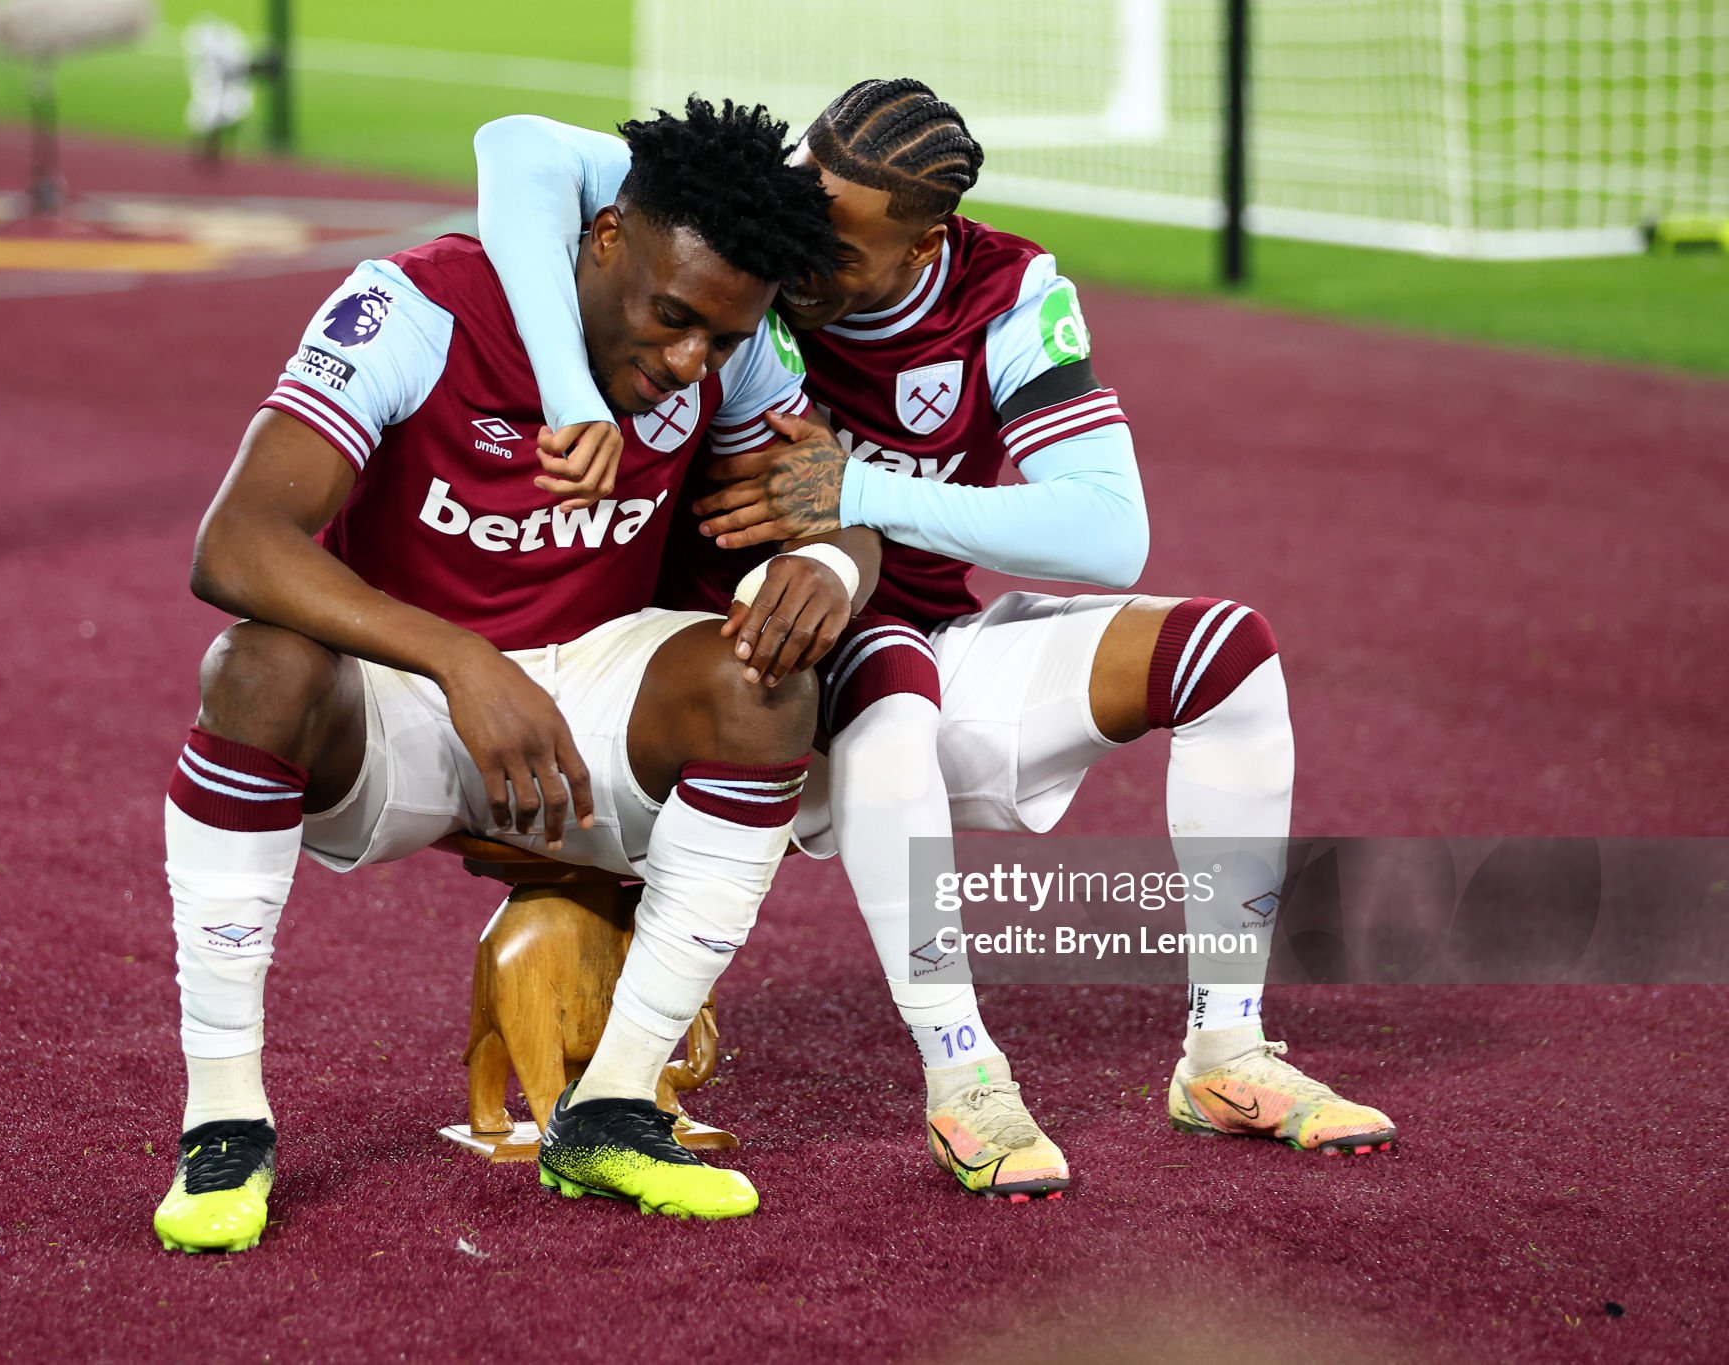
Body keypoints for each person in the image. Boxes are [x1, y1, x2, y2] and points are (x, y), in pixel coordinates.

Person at [473, 78, 1396, 1199]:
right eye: (800, 217)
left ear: (924, 246)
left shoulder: (1006, 296)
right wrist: (572, 396)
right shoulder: (753, 231)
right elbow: (514, 143)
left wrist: (855, 491)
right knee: (887, 672)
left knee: (1225, 654)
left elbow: (1111, 532)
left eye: (836, 252)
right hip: (733, 676)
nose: (795, 264)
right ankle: (963, 1075)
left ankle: (1226, 1052)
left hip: (921, 641)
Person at [154, 97, 878, 1249]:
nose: (687, 362)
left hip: (587, 694)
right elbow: (234, 544)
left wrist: (833, 565)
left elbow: (837, 507)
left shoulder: (733, 346)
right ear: (603, 239)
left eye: (718, 341)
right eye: (672, 319)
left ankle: (612, 1108)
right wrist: (461, 661)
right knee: (255, 666)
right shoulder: (414, 306)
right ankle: (224, 1121)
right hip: (398, 693)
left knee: (764, 683)